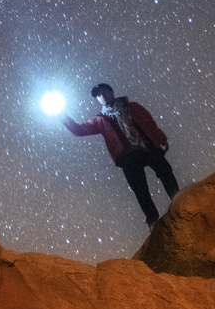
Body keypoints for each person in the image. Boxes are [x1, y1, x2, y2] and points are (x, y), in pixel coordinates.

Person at [63, 83, 178, 224]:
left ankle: (179, 200)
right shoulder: (100, 120)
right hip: (127, 156)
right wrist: (61, 115)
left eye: (104, 92)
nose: (102, 96)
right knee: (140, 190)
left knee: (165, 172)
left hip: (147, 147)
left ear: (111, 92)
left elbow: (149, 122)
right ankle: (153, 220)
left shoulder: (132, 107)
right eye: (98, 95)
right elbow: (79, 130)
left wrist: (161, 138)